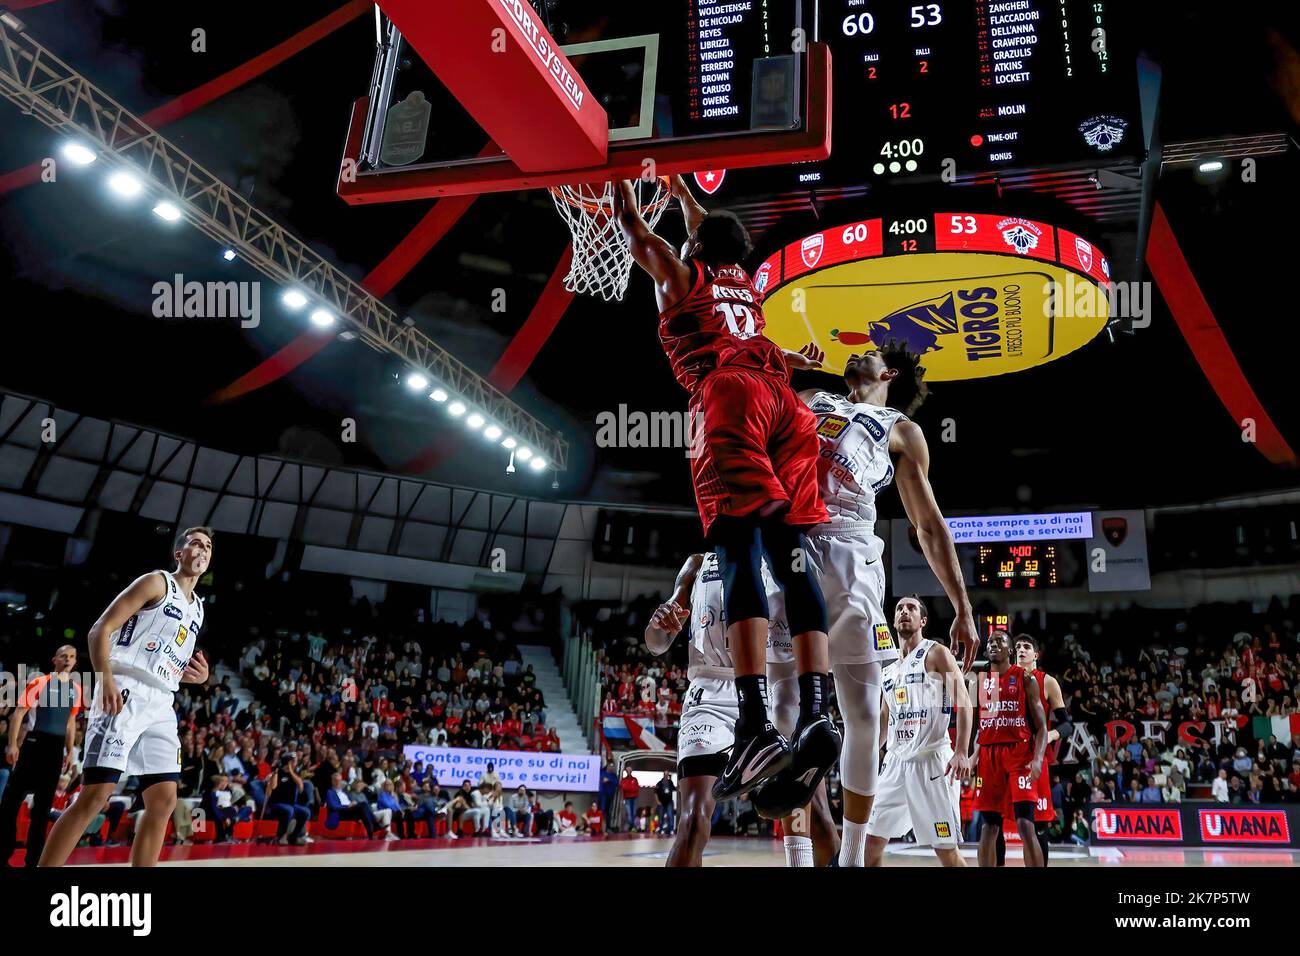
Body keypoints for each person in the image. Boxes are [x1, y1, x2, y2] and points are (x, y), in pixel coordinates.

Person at [615, 175, 840, 800]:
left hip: (731, 399)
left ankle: (754, 723)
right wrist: (682, 185)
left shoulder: (683, 281)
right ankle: (819, 711)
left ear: (693, 251)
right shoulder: (748, 290)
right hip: (788, 410)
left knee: (736, 552)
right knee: (793, 563)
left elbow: (635, 231)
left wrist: (613, 180)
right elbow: (704, 227)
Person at [759, 345, 980, 866]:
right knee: (784, 710)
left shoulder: (902, 428)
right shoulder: (812, 397)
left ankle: (853, 856)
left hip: (851, 551)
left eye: (868, 351)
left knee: (861, 712)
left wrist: (963, 607)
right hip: (789, 543)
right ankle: (796, 855)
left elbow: (928, 527)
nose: (854, 352)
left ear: (889, 373)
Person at [644, 551, 837, 867]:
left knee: (816, 818)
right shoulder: (698, 563)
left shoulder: (782, 550)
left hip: (772, 685)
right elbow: (657, 643)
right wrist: (659, 625)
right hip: (710, 692)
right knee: (692, 822)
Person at [40, 527, 213, 867]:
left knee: (164, 800)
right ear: (179, 554)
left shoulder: (198, 609)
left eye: (208, 546)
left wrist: (201, 677)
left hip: (162, 702)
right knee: (95, 796)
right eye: (195, 543)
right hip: (125, 690)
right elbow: (99, 630)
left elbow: (169, 659)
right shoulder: (156, 582)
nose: (203, 549)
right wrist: (104, 679)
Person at [864, 596, 972, 867]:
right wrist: (866, 758)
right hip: (896, 764)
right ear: (893, 620)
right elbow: (885, 720)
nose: (904, 611)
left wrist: (961, 751)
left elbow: (965, 703)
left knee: (946, 851)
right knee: (870, 842)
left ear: (922, 621)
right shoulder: (888, 670)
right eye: (900, 608)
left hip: (932, 763)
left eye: (911, 608)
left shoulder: (936, 653)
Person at [0, 645, 84, 867]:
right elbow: (19, 713)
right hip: (34, 744)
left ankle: (34, 861)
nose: (68, 659)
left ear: (75, 662)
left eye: (72, 657)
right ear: (54, 659)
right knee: (10, 803)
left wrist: (69, 752)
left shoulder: (76, 689)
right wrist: (12, 745)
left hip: (55, 750)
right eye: (64, 656)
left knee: (42, 809)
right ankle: (4, 851)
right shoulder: (40, 682)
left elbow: (70, 723)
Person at [971, 631, 1049, 867]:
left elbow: (1042, 727)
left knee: (1026, 825)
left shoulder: (1025, 678)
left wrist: (1037, 759)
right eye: (990, 642)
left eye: (1000, 641)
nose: (994, 644)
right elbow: (978, 726)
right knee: (989, 827)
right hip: (989, 756)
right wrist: (972, 755)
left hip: (1019, 755)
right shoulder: (980, 681)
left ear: (1010, 651)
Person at [1008, 634, 1072, 865]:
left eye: (1026, 647)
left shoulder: (1047, 681)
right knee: (992, 822)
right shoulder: (1002, 679)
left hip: (1033, 759)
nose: (1021, 650)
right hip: (1006, 758)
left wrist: (1049, 737)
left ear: (1036, 654)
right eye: (1017, 647)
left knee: (1038, 826)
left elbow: (1066, 725)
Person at [264, 754, 311, 845]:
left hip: (291, 804)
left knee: (305, 812)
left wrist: (291, 772)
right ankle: (281, 836)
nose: (296, 763)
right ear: (289, 762)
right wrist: (275, 774)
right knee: (289, 810)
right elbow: (273, 788)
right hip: (277, 803)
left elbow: (300, 786)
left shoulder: (294, 774)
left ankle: (294, 837)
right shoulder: (278, 772)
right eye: (294, 761)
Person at [654, 771, 677, 837]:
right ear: (663, 775)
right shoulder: (660, 783)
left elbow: (674, 789)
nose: (667, 776)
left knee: (670, 815)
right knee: (661, 816)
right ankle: (661, 829)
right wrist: (657, 801)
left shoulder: (670, 782)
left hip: (669, 802)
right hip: (661, 802)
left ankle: (671, 829)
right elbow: (655, 792)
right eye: (665, 774)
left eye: (668, 774)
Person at [619, 767, 640, 832]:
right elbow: (624, 788)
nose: (629, 771)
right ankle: (631, 826)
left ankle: (631, 826)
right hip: (627, 798)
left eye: (630, 770)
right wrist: (631, 788)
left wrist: (629, 788)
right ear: (626, 771)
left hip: (634, 798)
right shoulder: (624, 780)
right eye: (628, 770)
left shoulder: (634, 779)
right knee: (629, 813)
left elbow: (636, 788)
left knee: (633, 813)